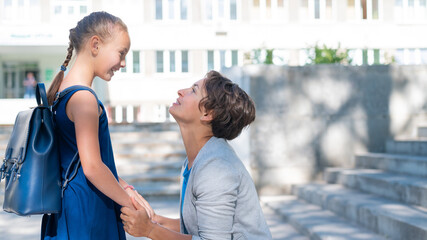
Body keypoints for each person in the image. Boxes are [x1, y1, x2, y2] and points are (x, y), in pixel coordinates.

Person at [120, 70, 272, 240]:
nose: (181, 91)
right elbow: (198, 224)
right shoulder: (197, 160)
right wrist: (155, 221)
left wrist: (150, 230)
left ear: (207, 114)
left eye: (193, 90)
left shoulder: (216, 169)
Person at [41, 11, 148, 240]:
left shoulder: (61, 93)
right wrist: (131, 205)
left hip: (69, 208)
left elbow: (83, 163)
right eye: (121, 53)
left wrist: (127, 187)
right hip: (87, 212)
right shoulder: (83, 98)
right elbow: (92, 167)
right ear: (95, 45)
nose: (123, 63)